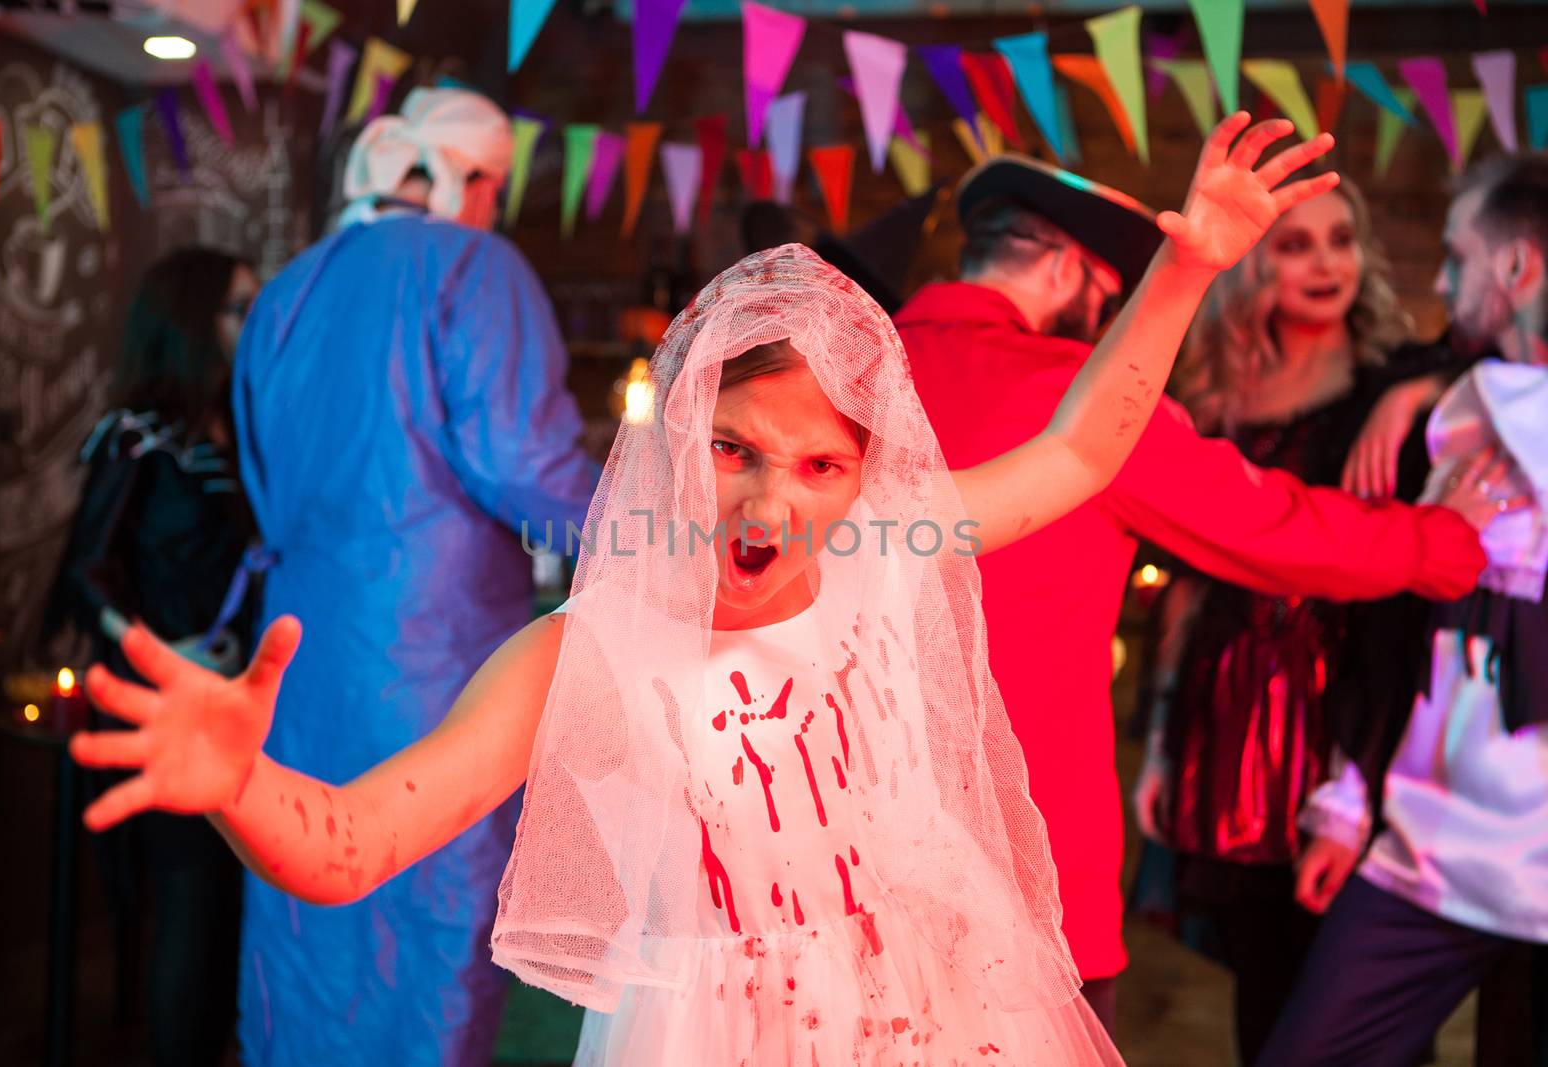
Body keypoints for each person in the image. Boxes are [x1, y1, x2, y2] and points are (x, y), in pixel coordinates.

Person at [70, 117, 1356, 1064]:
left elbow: (1080, 448)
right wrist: (237, 782)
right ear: (674, 439)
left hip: (942, 1007)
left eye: (816, 463)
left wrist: (1184, 271)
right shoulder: (591, 653)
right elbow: (354, 849)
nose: (768, 499)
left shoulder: (882, 547)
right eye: (732, 448)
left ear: (864, 472)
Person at [897, 153, 1500, 1029]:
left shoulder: (837, 381)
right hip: (1025, 859)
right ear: (1072, 270)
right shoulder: (1079, 398)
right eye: (1109, 297)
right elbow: (1272, 526)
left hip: (830, 847)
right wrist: (1445, 541)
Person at [228, 87, 598, 1065]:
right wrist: (660, 532)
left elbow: (260, 476)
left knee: (303, 902)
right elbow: (526, 465)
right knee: (429, 907)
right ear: (473, 179)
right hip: (432, 658)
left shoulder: (287, 288)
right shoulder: (472, 267)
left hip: (296, 657)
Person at [1129, 176, 1470, 1063]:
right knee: (1268, 990)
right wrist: (1164, 740)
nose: (1327, 262)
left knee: (1362, 999)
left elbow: (1494, 368)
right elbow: (1188, 587)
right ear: (1250, 265)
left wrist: (1415, 391)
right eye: (1296, 243)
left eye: (1341, 239)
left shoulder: (1389, 384)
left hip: (1349, 712)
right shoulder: (1213, 397)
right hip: (1228, 715)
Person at [1256, 152, 1548, 1066]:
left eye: (1458, 256)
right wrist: (1349, 799)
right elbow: (1402, 632)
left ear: (1516, 269)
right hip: (1433, 847)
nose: (1441, 277)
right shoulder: (1458, 415)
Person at [42, 247, 260, 1066]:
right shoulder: (135, 439)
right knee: (189, 898)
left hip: (238, 705)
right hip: (162, 706)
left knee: (228, 899)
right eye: (236, 307)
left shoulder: (239, 431)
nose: (251, 322)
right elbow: (84, 572)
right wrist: (156, 647)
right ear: (190, 319)